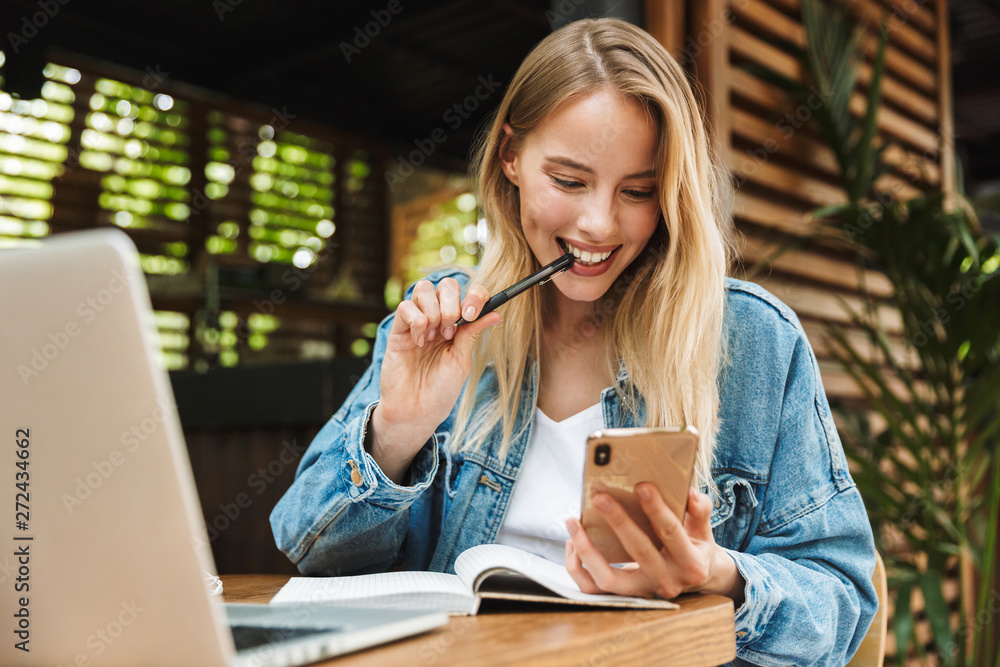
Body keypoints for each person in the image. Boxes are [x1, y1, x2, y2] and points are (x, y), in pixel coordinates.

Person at [271, 17, 878, 665]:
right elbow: (307, 548)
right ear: (511, 156)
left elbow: (841, 602)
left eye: (638, 191)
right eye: (568, 181)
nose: (599, 224)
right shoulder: (440, 321)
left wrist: (714, 572)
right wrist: (396, 429)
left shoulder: (754, 339)